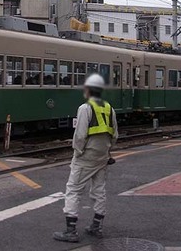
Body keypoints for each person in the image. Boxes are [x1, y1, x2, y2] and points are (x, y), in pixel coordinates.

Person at [53, 73, 118, 243]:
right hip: (103, 156)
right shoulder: (109, 108)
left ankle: (71, 230)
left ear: (88, 90)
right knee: (99, 190)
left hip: (86, 156)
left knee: (74, 189)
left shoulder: (85, 108)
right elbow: (115, 135)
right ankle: (96, 226)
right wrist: (107, 151)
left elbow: (80, 136)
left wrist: (78, 151)